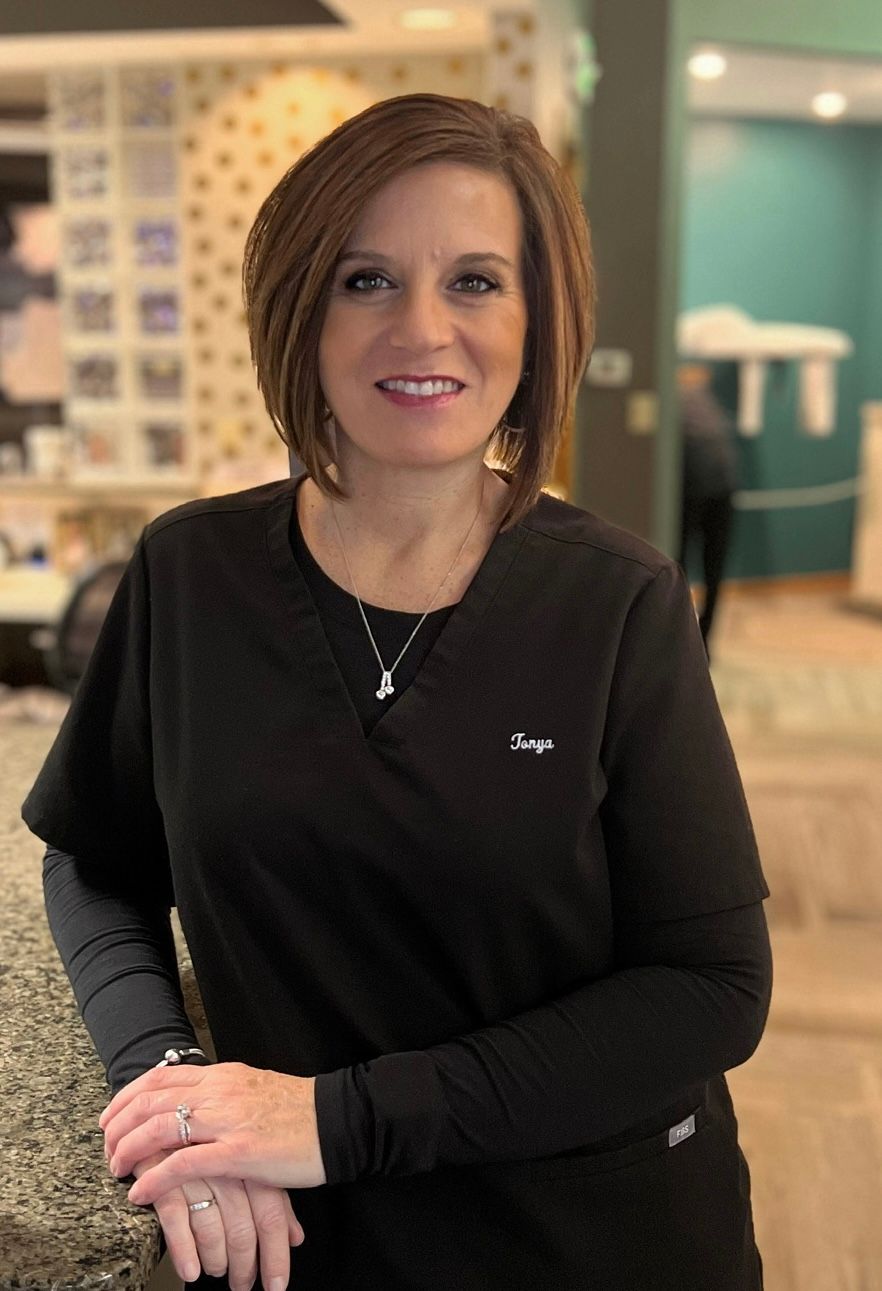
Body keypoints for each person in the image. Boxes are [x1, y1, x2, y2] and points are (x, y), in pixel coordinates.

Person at [23, 94, 772, 1291]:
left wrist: (329, 1120)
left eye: (475, 281)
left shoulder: (619, 603)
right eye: (365, 280)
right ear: (301, 314)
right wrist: (166, 1081)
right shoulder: (190, 575)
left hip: (587, 1238)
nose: (423, 329)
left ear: (539, 320)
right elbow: (94, 855)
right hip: (300, 1250)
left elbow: (711, 991)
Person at [677, 362, 739, 658]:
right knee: (694, 569)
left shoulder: (695, 404)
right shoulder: (703, 405)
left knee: (691, 568)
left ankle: (697, 640)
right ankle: (694, 640)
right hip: (704, 496)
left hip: (711, 496)